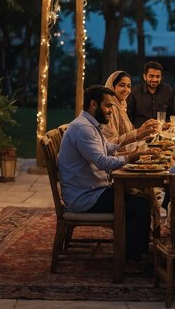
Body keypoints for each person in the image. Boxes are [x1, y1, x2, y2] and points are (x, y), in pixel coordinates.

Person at [59, 85, 154, 274]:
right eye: (108, 106)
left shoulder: (90, 125)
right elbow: (102, 161)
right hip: (85, 197)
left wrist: (134, 150)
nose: (111, 110)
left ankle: (138, 252)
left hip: (93, 189)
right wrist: (132, 158)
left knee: (140, 196)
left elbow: (107, 148)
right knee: (140, 205)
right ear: (94, 104)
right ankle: (130, 260)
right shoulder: (83, 129)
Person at [103, 71, 159, 147]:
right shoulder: (111, 108)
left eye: (129, 86)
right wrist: (139, 131)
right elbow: (111, 143)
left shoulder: (122, 106)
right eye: (122, 85)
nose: (126, 90)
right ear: (112, 87)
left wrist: (144, 129)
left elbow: (129, 134)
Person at [128, 61, 175, 128]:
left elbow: (173, 113)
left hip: (162, 132)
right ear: (144, 76)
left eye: (158, 76)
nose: (155, 79)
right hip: (140, 133)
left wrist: (168, 124)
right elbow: (129, 116)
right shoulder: (135, 91)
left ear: (161, 77)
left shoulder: (167, 90)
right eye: (151, 76)